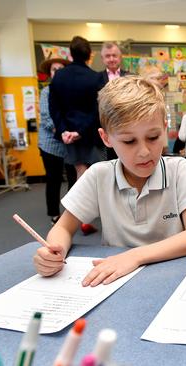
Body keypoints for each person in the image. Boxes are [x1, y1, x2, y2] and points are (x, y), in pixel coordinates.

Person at [33, 76, 186, 286]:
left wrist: (134, 256)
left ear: (164, 128)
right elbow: (63, 228)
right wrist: (54, 251)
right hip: (117, 282)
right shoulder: (98, 176)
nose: (144, 152)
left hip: (175, 278)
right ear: (106, 138)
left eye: (153, 137)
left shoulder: (179, 170)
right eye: (129, 141)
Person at [49, 36, 104, 235]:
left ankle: (77, 217)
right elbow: (98, 109)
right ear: (89, 55)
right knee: (93, 174)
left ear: (70, 54)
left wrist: (64, 130)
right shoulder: (95, 77)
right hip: (88, 134)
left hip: (68, 135)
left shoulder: (59, 77)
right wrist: (80, 132)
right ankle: (82, 217)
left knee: (80, 173)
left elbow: (54, 108)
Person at [37, 57, 77, 224]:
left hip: (70, 142)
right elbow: (47, 119)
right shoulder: (46, 92)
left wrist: (73, 133)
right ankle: (54, 214)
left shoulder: (72, 91)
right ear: (50, 73)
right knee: (53, 179)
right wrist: (62, 132)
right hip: (50, 143)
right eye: (54, 69)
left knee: (73, 179)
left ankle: (72, 213)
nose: (58, 72)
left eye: (61, 69)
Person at [100, 41, 131, 161]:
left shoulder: (130, 77)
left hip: (127, 126)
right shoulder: (95, 78)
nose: (111, 59)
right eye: (108, 56)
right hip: (105, 129)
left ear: (120, 57)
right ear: (103, 58)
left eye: (114, 55)